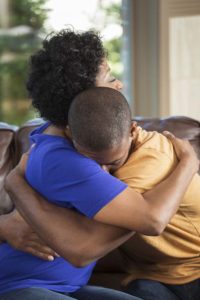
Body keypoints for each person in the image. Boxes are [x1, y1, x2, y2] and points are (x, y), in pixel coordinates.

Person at [0, 29, 199, 299]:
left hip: (64, 287)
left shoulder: (61, 137)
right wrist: (189, 162)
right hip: (22, 286)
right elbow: (149, 221)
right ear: (83, 101)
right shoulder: (66, 161)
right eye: (109, 78)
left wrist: (15, 182)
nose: (119, 85)